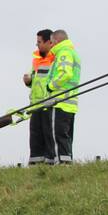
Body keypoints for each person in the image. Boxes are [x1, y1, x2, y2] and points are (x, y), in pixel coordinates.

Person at [46, 29, 81, 164]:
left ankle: (61, 163)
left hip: (60, 101)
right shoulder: (73, 53)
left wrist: (51, 86)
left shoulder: (63, 53)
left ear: (56, 41)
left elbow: (65, 74)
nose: (50, 46)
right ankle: (66, 162)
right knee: (66, 136)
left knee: (57, 135)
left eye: (51, 42)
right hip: (70, 103)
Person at [24, 29, 55, 164]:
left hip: (49, 104)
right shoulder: (36, 59)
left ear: (49, 42)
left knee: (49, 135)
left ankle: (50, 162)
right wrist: (28, 81)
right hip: (35, 105)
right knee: (35, 136)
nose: (37, 45)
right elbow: (35, 81)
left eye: (39, 42)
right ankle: (36, 163)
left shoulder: (55, 59)